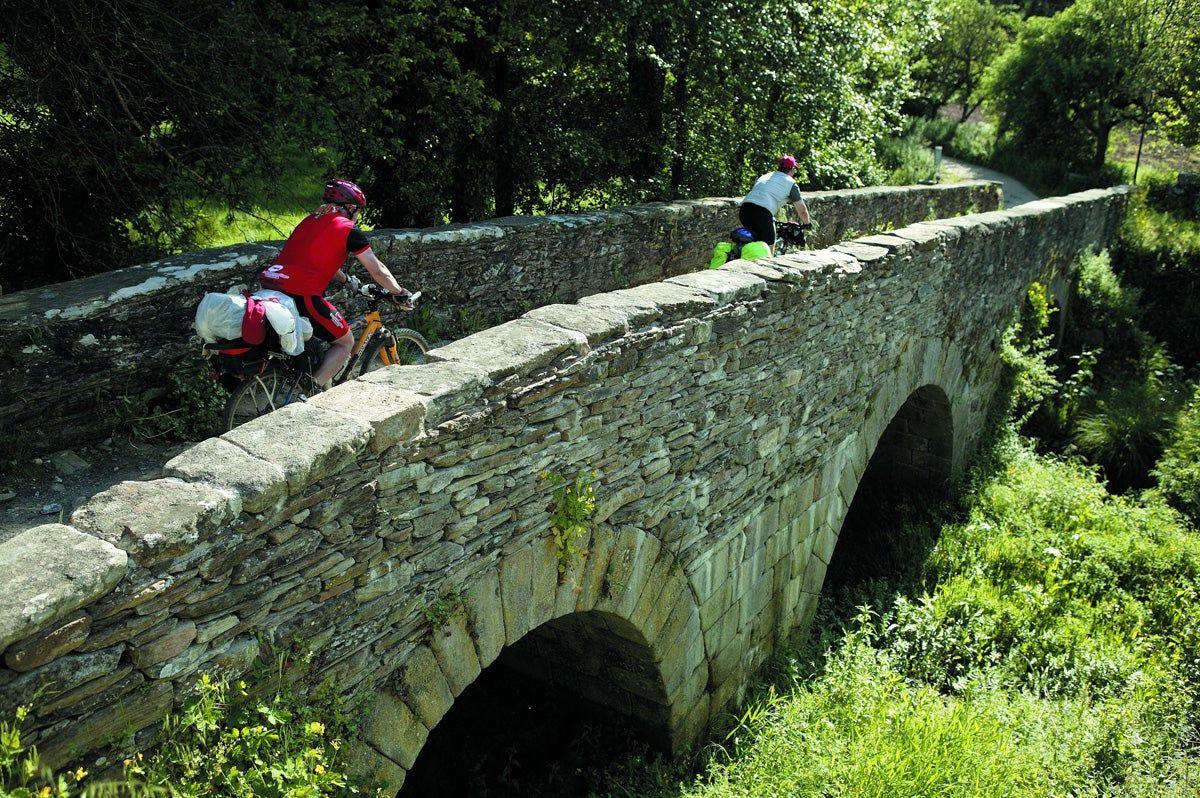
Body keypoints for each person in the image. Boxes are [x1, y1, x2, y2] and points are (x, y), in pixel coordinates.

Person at [259, 179, 413, 388]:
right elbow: (377, 269)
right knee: (344, 342)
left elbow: (317, 260)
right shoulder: (347, 229)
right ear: (350, 208)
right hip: (302, 293)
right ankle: (307, 394)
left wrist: (348, 280)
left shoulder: (309, 221)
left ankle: (303, 379)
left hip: (271, 286)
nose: (357, 217)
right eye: (358, 211)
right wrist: (398, 292)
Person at [739, 155, 812, 255]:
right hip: (762, 212)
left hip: (744, 209)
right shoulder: (791, 183)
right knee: (768, 248)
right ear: (792, 169)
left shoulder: (765, 176)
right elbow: (802, 210)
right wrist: (807, 223)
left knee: (753, 239)